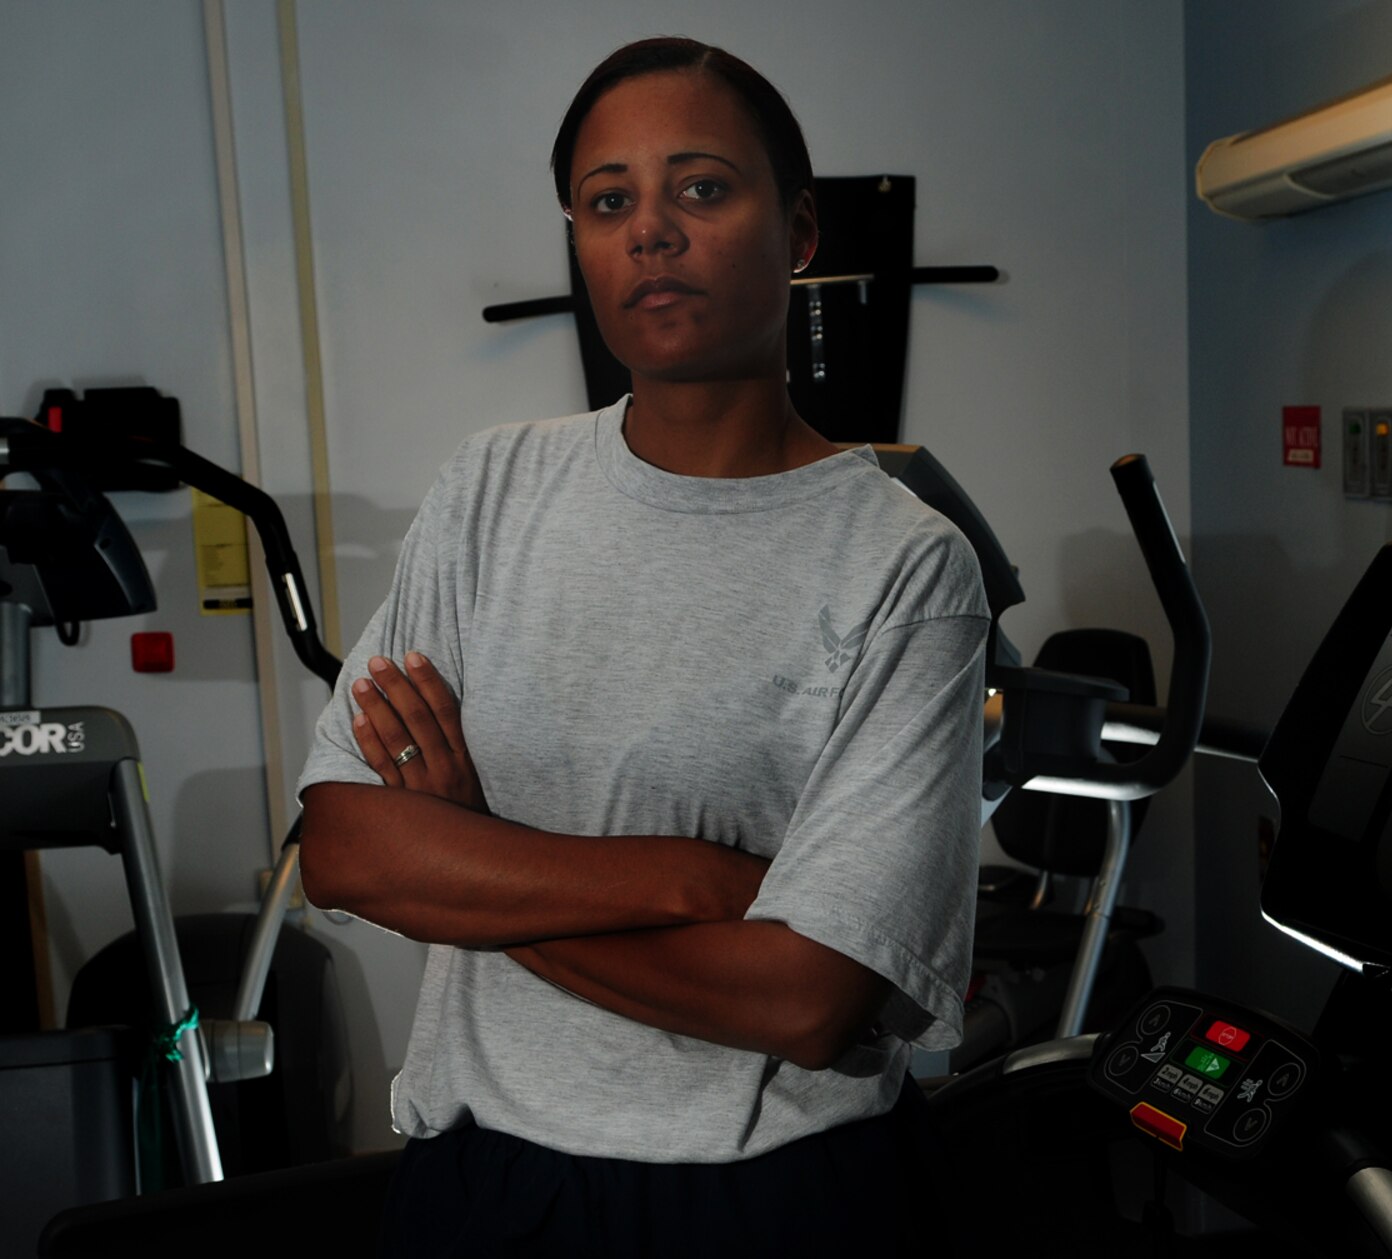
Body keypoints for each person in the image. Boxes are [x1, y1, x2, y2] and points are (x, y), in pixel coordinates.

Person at [297, 36, 988, 1255]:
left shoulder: (902, 564)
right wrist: (693, 877)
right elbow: (348, 848)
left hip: (768, 1198)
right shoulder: (491, 488)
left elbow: (809, 998)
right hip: (486, 1181)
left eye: (701, 188)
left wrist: (471, 855)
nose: (650, 232)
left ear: (801, 229)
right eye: (608, 201)